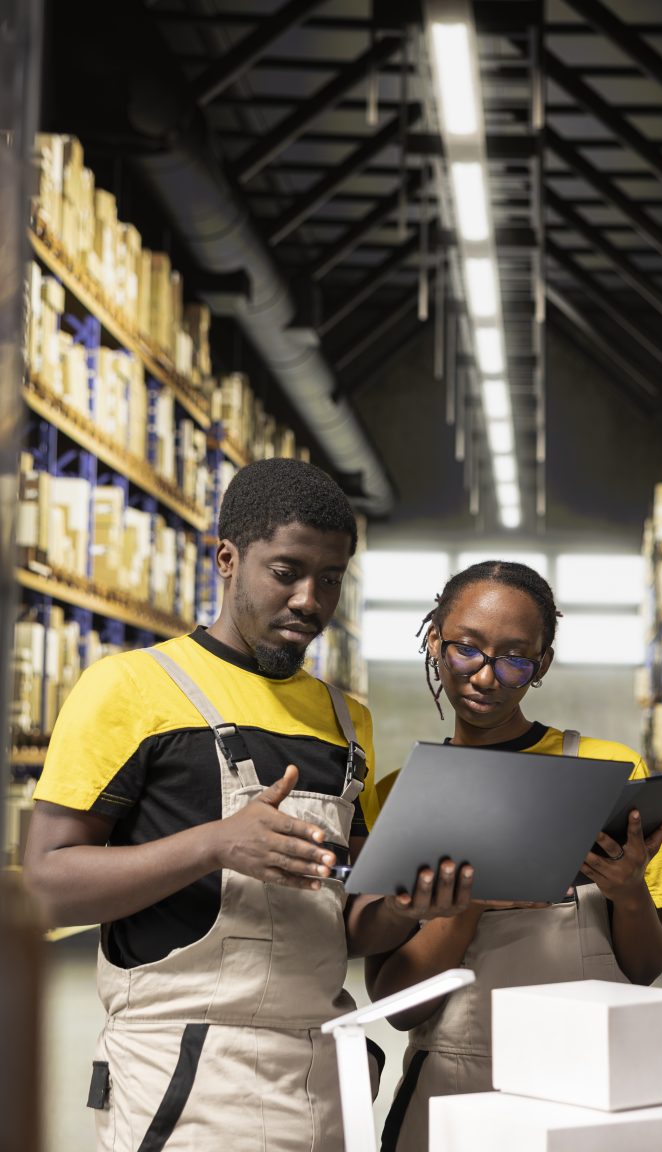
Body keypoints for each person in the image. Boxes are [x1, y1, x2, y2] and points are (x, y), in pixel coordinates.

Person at [23, 457, 473, 1152]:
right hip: (186, 1074)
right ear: (227, 559)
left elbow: (343, 923)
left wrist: (406, 910)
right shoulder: (130, 688)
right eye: (287, 571)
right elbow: (46, 888)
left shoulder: (345, 719)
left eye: (330, 580)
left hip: (323, 1069)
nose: (310, 601)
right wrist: (214, 843)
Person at [367, 560, 662, 1152]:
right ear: (435, 640)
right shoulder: (397, 797)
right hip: (454, 1089)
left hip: (591, 1085)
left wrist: (627, 891)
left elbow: (644, 969)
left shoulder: (606, 775)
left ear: (540, 664)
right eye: (467, 649)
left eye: (516, 658)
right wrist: (469, 904)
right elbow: (396, 1007)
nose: (487, 677)